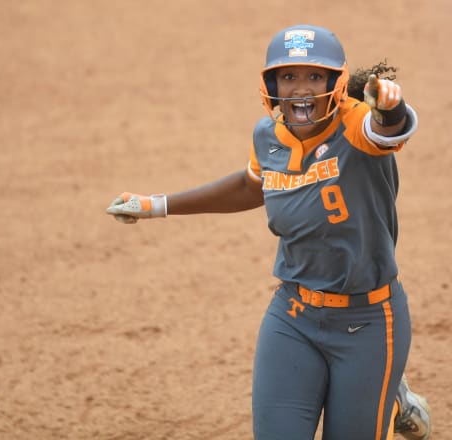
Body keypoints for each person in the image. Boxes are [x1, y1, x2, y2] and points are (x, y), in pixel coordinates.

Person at [106, 24, 431, 440]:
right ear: (271, 83)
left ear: (336, 83)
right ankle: (388, 398)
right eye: (288, 76)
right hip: (294, 316)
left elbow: (387, 130)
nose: (301, 89)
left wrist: (391, 107)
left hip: (368, 321)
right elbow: (249, 186)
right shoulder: (268, 137)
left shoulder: (356, 124)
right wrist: (157, 205)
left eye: (315, 76)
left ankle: (390, 397)